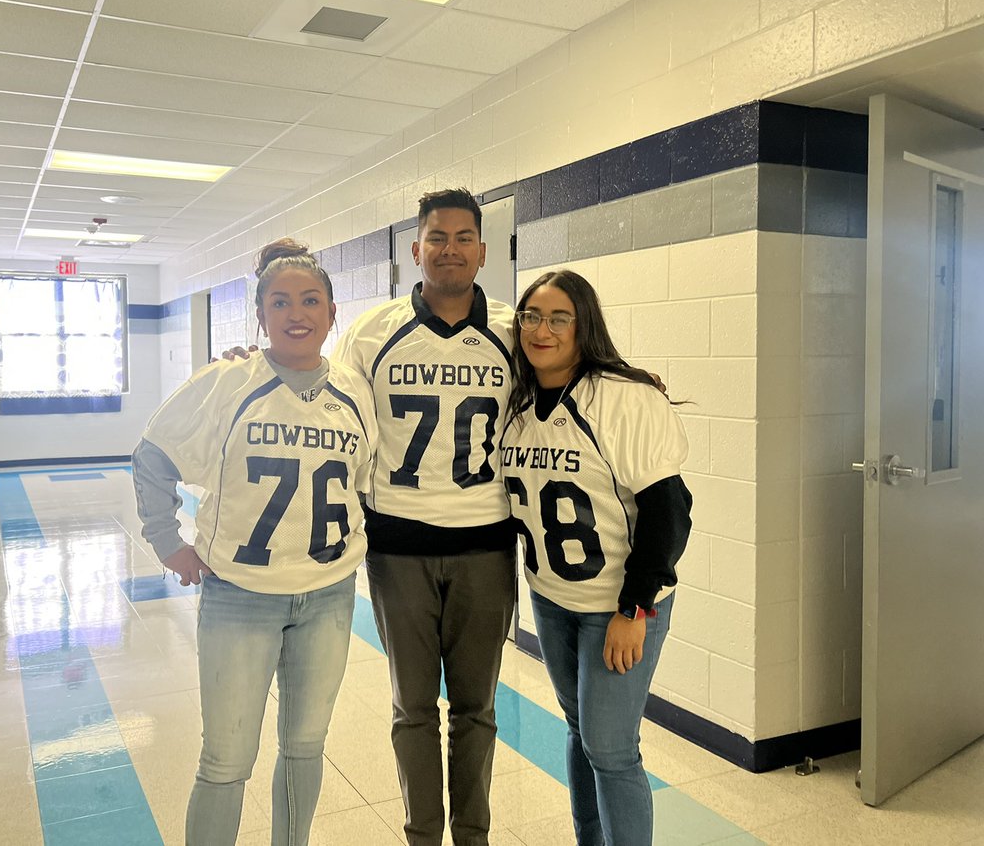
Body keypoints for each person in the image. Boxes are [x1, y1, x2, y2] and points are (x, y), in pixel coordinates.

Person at [131, 239, 378, 846]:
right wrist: (169, 544)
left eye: (311, 300)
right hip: (240, 595)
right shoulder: (228, 381)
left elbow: (364, 484)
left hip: (327, 594)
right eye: (281, 301)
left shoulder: (355, 389)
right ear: (261, 316)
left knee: (303, 748)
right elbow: (152, 455)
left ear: (331, 311)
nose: (297, 313)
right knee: (226, 760)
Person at [332, 188, 515, 846]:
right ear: (416, 249)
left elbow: (575, 379)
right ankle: (421, 836)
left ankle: (472, 836)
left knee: (477, 709)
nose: (450, 249)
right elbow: (324, 405)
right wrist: (249, 368)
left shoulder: (514, 333)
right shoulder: (371, 332)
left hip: (487, 547)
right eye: (437, 237)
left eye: (465, 237)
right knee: (412, 707)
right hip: (398, 549)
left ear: (483, 251)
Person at [500, 269, 692, 846]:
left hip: (619, 603)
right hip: (552, 596)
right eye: (531, 316)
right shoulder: (516, 399)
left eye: (560, 317)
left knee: (611, 747)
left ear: (585, 325)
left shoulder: (623, 398)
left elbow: (668, 514)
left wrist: (635, 610)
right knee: (581, 730)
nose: (543, 329)